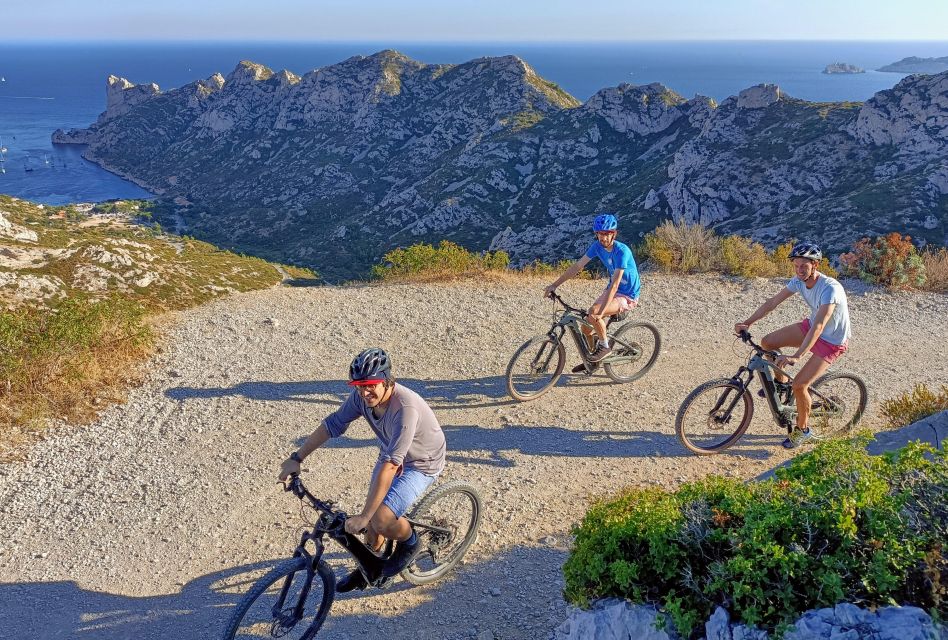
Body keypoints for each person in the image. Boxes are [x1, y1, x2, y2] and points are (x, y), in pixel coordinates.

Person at [278, 348, 446, 592]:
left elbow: (391, 465)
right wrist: (297, 457)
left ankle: (410, 543)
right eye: (359, 386)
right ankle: (370, 566)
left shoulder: (405, 409)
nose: (364, 392)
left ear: (386, 380)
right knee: (372, 520)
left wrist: (367, 517)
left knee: (380, 518)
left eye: (370, 385)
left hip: (421, 463)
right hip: (392, 451)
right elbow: (333, 424)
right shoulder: (361, 397)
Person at [734, 242, 851, 448]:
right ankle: (781, 384)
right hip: (811, 327)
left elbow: (820, 325)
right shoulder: (798, 281)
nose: (799, 270)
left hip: (831, 341)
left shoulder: (830, 289)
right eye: (796, 266)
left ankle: (803, 430)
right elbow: (772, 303)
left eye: (803, 266)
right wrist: (748, 322)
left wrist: (797, 356)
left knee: (800, 385)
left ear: (815, 265)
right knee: (768, 342)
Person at [544, 213, 641, 371]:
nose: (603, 238)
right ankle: (593, 360)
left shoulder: (622, 251)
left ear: (613, 234)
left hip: (627, 295)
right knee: (586, 328)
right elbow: (577, 267)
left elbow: (616, 284)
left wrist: (601, 312)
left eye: (606, 234)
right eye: (600, 234)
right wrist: (554, 285)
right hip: (611, 290)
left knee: (594, 312)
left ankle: (605, 347)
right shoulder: (596, 247)